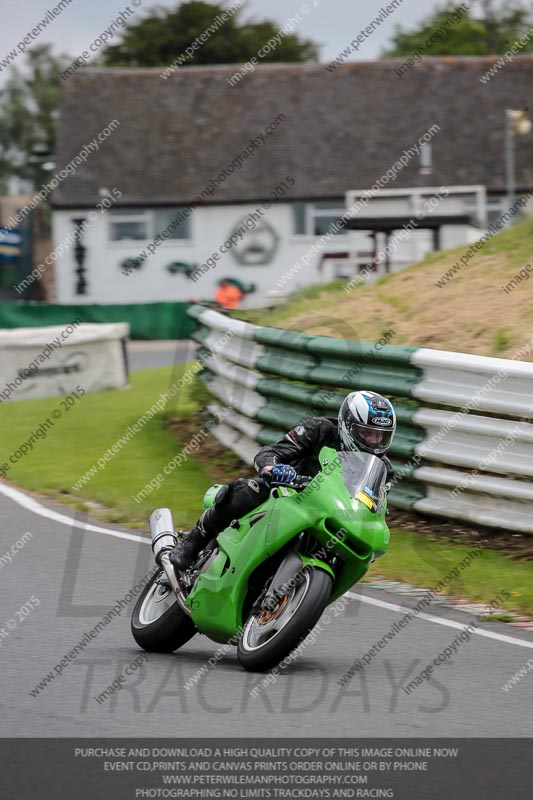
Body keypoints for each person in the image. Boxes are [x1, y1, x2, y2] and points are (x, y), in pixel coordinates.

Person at [169, 390, 396, 572]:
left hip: (331, 513)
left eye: (380, 436)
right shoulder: (318, 429)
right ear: (347, 425)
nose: (374, 442)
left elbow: (374, 507)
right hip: (288, 493)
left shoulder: (383, 469)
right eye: (367, 433)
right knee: (248, 490)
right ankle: (194, 540)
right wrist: (274, 468)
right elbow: (272, 452)